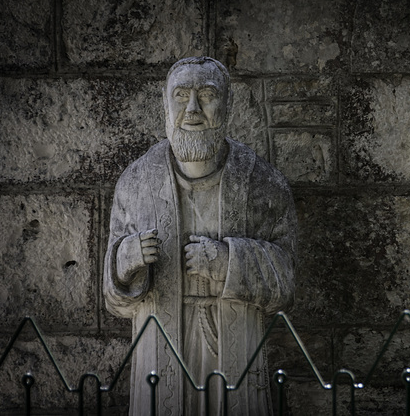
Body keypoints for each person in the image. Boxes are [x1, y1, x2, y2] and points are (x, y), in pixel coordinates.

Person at [103, 57, 297, 415]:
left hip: (233, 340)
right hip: (159, 343)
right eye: (181, 95)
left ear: (228, 105)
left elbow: (285, 281)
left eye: (206, 95)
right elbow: (114, 301)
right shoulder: (136, 183)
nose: (192, 109)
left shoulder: (261, 183)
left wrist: (228, 261)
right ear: (165, 103)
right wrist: (124, 261)